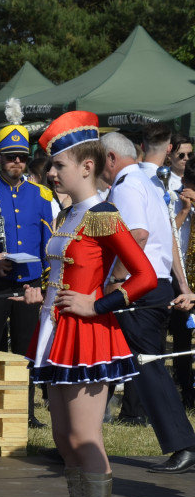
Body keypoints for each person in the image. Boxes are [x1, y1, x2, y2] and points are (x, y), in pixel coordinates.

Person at [22, 111, 158, 497]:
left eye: (58, 164)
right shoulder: (68, 213)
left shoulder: (102, 214)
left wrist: (97, 304)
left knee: (84, 438)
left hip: (90, 336)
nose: (51, 172)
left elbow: (143, 276)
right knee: (63, 439)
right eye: (51, 164)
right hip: (55, 334)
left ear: (86, 165)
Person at [100, 131, 195, 472]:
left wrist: (115, 280)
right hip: (156, 284)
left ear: (111, 158)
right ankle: (83, 436)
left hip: (137, 287)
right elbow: (167, 236)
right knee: (124, 359)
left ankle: (184, 444)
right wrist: (180, 284)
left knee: (146, 365)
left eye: (99, 160)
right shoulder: (149, 183)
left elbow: (137, 236)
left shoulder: (127, 185)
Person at [0, 122, 54, 427]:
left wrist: (43, 285)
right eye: (10, 157)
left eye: (21, 157)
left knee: (25, 348)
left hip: (29, 282)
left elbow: (47, 247)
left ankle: (25, 412)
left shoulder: (41, 195)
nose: (17, 162)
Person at [172, 160, 195, 409]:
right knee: (181, 340)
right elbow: (168, 234)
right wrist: (185, 211)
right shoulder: (176, 201)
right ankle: (186, 390)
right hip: (182, 282)